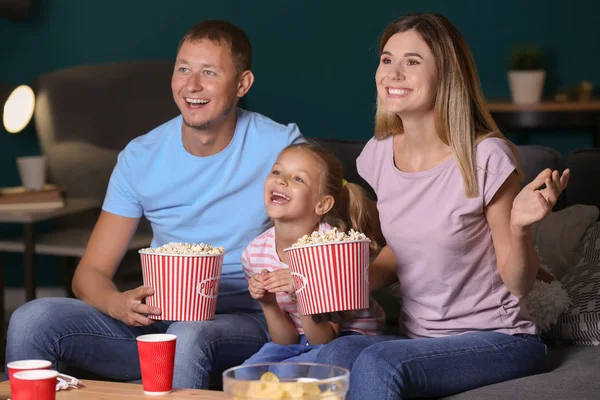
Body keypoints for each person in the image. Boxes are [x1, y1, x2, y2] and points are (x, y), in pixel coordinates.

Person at [6, 20, 303, 389]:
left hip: (249, 317)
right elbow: (90, 273)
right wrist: (118, 303)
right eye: (183, 69)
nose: (192, 85)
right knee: (31, 319)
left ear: (242, 84)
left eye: (209, 72)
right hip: (159, 319)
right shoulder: (141, 156)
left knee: (187, 335)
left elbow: (319, 239)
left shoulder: (281, 147)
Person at [315, 13, 570, 399]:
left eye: (412, 62)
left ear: (447, 75)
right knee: (331, 354)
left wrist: (518, 227)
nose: (393, 73)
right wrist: (333, 286)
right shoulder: (378, 155)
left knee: (380, 364)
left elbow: (518, 283)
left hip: (499, 340)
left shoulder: (485, 157)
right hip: (419, 340)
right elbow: (401, 252)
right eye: (386, 60)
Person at [240, 142, 386, 369]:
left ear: (322, 204)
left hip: (349, 337)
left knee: (286, 374)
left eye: (298, 179)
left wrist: (303, 290)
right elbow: (284, 340)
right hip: (299, 339)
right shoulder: (254, 254)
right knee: (248, 375)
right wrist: (268, 304)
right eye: (277, 172)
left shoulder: (333, 251)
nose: (281, 180)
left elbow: (325, 338)